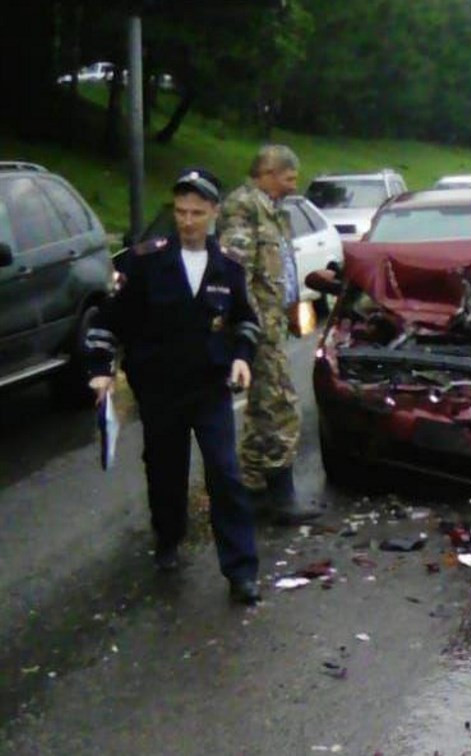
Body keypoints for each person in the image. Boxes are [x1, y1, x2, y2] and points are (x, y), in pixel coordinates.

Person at [86, 168, 262, 605]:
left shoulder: (229, 267)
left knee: (224, 473)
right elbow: (110, 320)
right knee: (165, 472)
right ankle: (168, 537)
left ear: (214, 213)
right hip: (161, 388)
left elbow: (246, 321)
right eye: (181, 212)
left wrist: (242, 356)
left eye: (197, 213)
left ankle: (241, 571)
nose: (187, 221)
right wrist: (101, 367)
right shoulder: (145, 262)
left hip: (209, 388)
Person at [216, 145, 320, 524]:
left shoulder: (274, 210)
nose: (294, 185)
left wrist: (293, 309)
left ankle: (254, 486)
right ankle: (281, 495)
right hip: (257, 325)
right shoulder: (244, 208)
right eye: (289, 178)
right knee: (280, 406)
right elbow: (236, 272)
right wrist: (247, 326)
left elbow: (281, 268)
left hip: (274, 320)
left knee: (263, 406)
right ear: (269, 173)